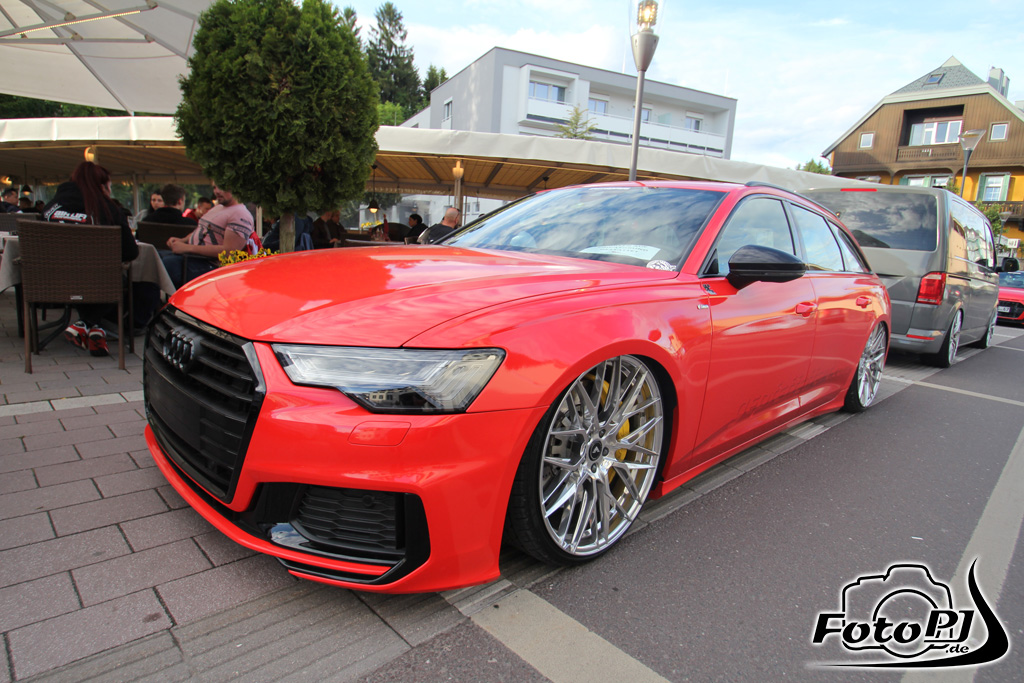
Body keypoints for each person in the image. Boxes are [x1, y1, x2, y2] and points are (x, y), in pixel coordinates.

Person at [42, 161, 139, 357]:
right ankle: (86, 324)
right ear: (101, 185)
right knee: (116, 278)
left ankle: (94, 331)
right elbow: (130, 252)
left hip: (50, 279)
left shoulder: (50, 208)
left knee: (83, 277)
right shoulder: (109, 210)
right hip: (97, 282)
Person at [161, 183, 254, 288]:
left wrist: (187, 248)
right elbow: (202, 229)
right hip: (192, 259)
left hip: (209, 268)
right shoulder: (218, 207)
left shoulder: (240, 214)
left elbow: (229, 252)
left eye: (222, 187)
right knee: (156, 258)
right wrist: (182, 240)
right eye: (215, 187)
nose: (216, 191)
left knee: (166, 263)